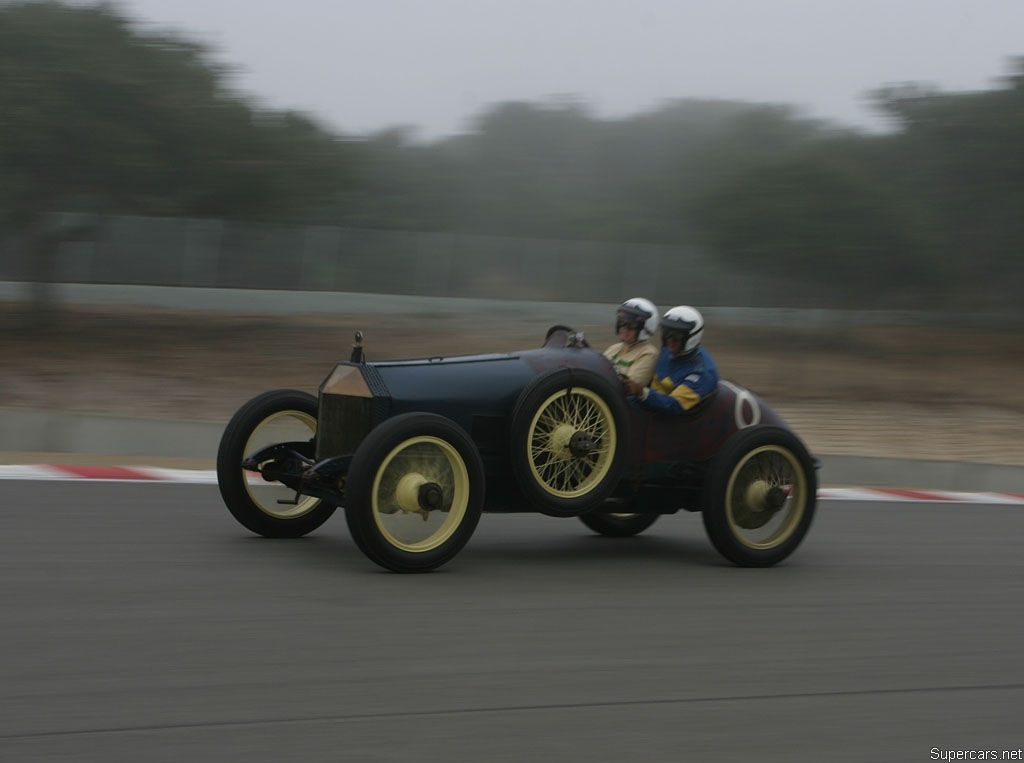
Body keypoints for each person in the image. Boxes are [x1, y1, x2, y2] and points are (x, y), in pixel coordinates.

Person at [623, 305, 720, 414]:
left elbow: (674, 405)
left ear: (692, 337)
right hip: (653, 403)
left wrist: (641, 391)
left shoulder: (700, 373)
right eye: (666, 332)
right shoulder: (669, 348)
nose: (670, 339)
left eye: (677, 335)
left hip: (673, 417)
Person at [603, 297, 659, 386]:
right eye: (622, 322)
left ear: (645, 328)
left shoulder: (648, 353)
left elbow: (631, 386)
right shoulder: (614, 348)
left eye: (631, 324)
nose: (624, 328)